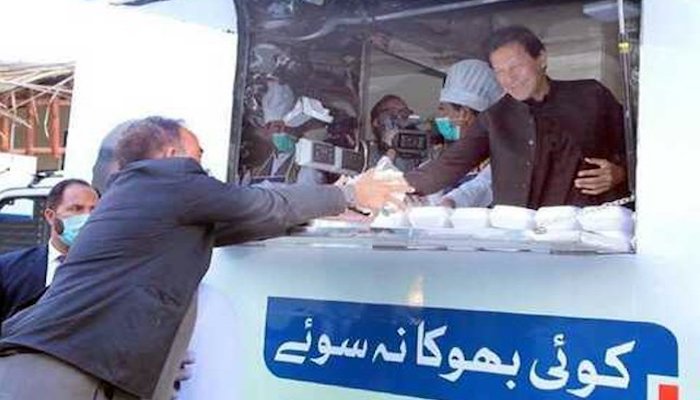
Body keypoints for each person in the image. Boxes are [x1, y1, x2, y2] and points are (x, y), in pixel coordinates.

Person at [0, 116, 407, 399]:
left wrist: (331, 210)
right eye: (198, 155)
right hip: (57, 376)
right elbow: (259, 205)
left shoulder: (137, 196)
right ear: (172, 153)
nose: (204, 166)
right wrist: (350, 193)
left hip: (55, 369)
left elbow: (246, 223)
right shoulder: (169, 179)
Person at [401, 26, 629, 208]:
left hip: (587, 234)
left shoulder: (591, 96)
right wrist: (385, 189)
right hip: (521, 239)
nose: (509, 79)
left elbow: (642, 148)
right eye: (499, 71)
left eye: (515, 67)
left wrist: (622, 173)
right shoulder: (495, 118)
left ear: (541, 58)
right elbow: (446, 166)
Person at [0, 179, 98, 325]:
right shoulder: (8, 268)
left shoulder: (109, 272)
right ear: (51, 216)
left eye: (94, 210)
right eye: (76, 209)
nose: (87, 218)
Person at [430, 59, 504, 208]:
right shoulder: (447, 154)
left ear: (463, 113)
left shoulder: (500, 153)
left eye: (443, 109)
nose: (439, 117)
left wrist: (452, 201)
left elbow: (482, 186)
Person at [243, 81, 324, 184]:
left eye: (280, 128)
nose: (278, 132)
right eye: (275, 128)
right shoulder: (251, 179)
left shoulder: (312, 152)